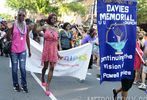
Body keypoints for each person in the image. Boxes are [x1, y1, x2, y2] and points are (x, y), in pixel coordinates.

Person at [35, 13, 62, 96]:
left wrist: (58, 52)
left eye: (55, 18)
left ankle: (47, 86)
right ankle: (42, 77)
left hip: (54, 50)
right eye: (53, 18)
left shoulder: (57, 29)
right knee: (45, 67)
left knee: (52, 67)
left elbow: (57, 41)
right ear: (50, 19)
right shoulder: (45, 27)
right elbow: (36, 30)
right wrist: (38, 21)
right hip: (46, 50)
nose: (54, 19)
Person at [9, 8, 31, 93]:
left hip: (22, 50)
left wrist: (29, 50)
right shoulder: (13, 24)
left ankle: (24, 85)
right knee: (14, 69)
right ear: (17, 15)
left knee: (22, 68)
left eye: (23, 15)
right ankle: (16, 84)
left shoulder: (26, 26)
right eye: (20, 15)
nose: (21, 16)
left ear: (25, 16)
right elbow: (8, 36)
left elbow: (27, 38)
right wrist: (8, 28)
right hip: (14, 50)